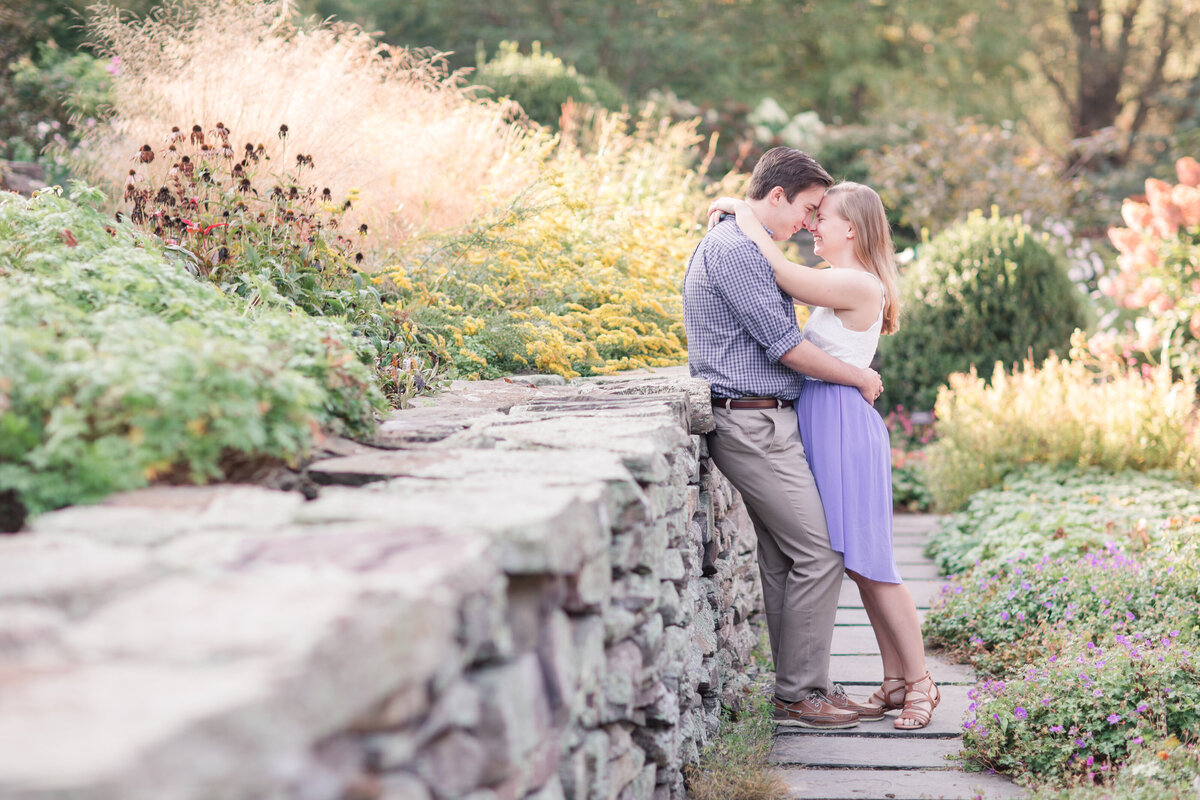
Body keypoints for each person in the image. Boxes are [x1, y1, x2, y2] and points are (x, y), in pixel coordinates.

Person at [708, 181, 939, 731]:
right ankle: (893, 680)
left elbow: (783, 276)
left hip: (843, 429)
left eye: (824, 217)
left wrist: (745, 213)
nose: (814, 224)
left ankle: (922, 683)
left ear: (852, 229)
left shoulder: (859, 283)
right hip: (820, 421)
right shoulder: (842, 280)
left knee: (875, 566)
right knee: (857, 566)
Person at [682, 147, 883, 730]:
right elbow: (787, 346)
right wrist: (861, 377)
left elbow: (798, 296)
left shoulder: (744, 244)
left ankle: (807, 686)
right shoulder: (736, 250)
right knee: (819, 553)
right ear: (777, 197)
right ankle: (799, 693)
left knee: (781, 558)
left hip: (763, 419)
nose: (809, 222)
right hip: (752, 423)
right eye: (807, 208)